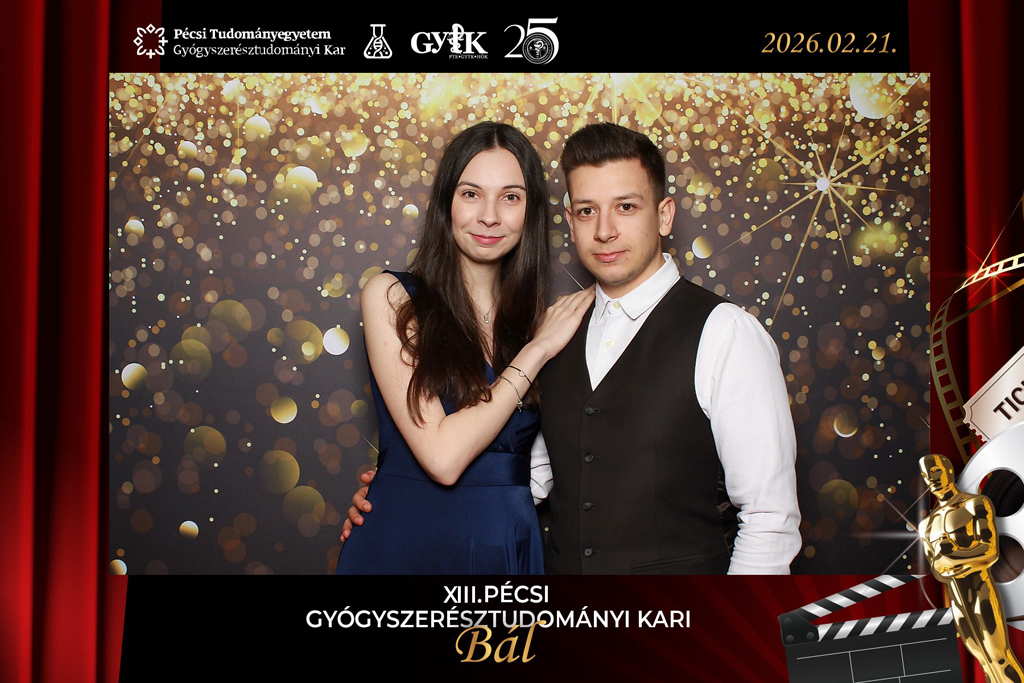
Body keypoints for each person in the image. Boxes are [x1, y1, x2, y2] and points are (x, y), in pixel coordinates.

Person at [343, 122, 800, 575]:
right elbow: (531, 472)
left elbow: (769, 520)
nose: (605, 230)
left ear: (664, 216)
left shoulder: (725, 332)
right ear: (570, 220)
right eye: (586, 211)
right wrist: (399, 491)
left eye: (625, 207)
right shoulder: (552, 334)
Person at [334, 122, 594, 575]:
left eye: (510, 197)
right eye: (471, 194)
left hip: (506, 544)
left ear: (531, 212)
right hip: (406, 544)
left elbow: (563, 460)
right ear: (446, 202)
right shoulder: (394, 297)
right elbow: (443, 458)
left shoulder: (539, 325)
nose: (489, 216)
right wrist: (536, 352)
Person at [919, 454, 1024, 681]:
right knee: (984, 662)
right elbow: (936, 569)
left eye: (935, 471)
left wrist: (952, 557)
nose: (931, 479)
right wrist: (954, 560)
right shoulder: (926, 525)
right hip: (957, 600)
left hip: (980, 590)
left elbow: (989, 551)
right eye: (926, 475)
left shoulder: (975, 504)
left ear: (948, 470)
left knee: (999, 657)